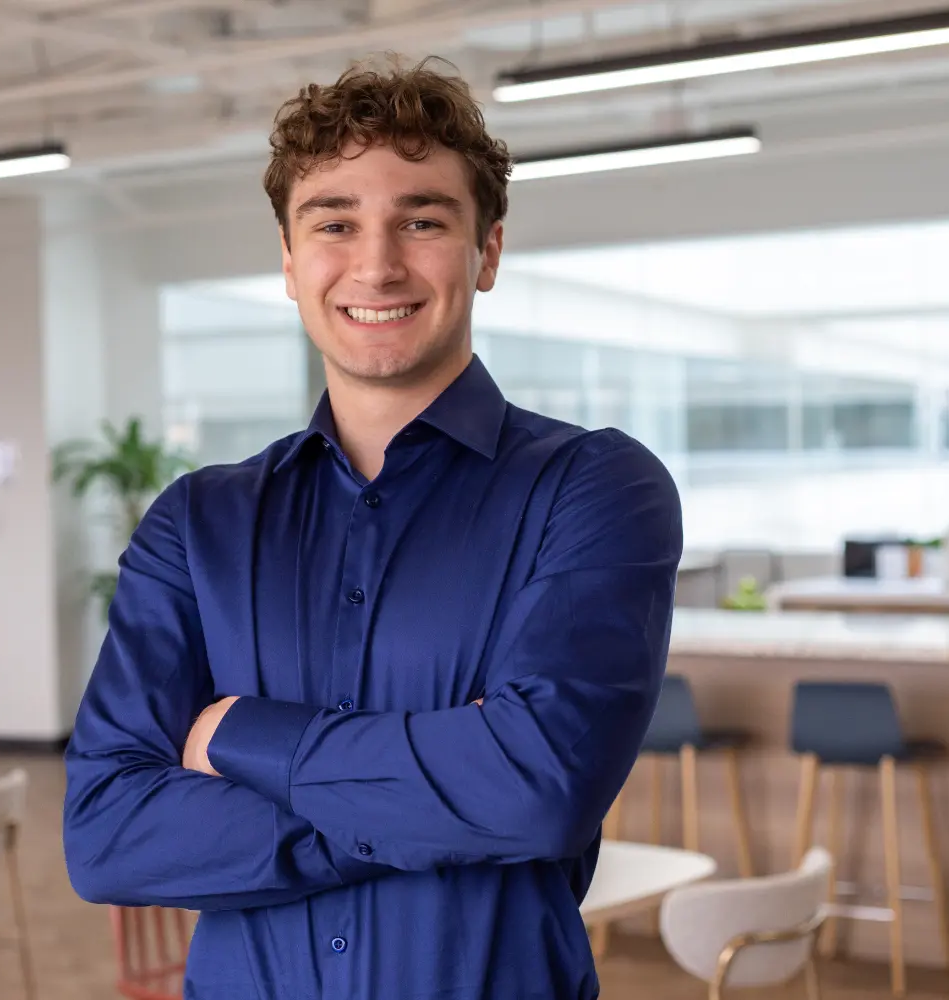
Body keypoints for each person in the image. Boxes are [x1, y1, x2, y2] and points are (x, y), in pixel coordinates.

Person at [63, 55, 683, 999]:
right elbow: (106, 832)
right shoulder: (198, 524)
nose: (377, 263)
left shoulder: (591, 489)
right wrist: (438, 805)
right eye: (335, 222)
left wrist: (241, 739)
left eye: (423, 220)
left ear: (487, 251)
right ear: (288, 260)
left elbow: (540, 789)